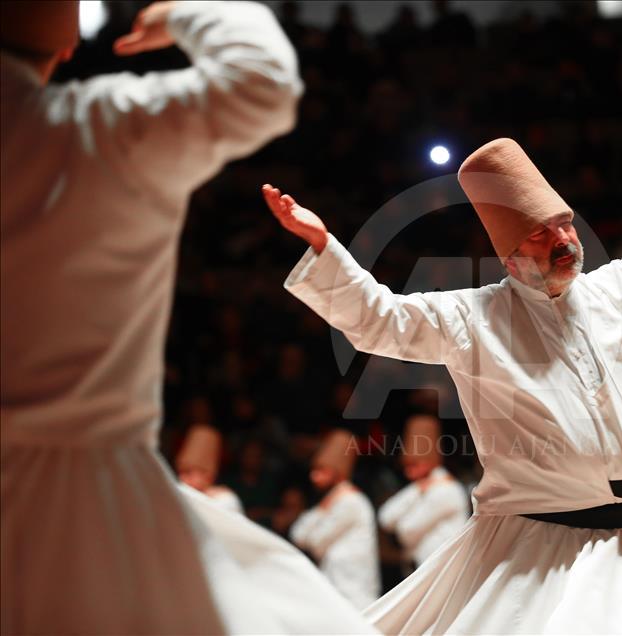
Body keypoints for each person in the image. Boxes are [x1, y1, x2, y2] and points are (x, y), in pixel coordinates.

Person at [265, 137, 622, 633]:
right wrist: (323, 248)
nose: (563, 240)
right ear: (509, 257)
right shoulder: (471, 318)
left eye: (564, 223)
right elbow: (380, 320)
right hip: (532, 549)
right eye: (542, 234)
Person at [1, 2, 374, 633]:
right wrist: (181, 14)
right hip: (84, 496)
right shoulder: (96, 129)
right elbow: (261, 82)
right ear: (66, 48)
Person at [291, 428, 381, 610]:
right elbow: (298, 535)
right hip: (336, 588)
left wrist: (321, 510)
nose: (314, 476)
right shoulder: (331, 500)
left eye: (321, 470)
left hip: (354, 592)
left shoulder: (351, 501)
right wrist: (322, 508)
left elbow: (316, 543)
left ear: (337, 472)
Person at [378, 415, 470, 567]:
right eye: (406, 465)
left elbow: (407, 531)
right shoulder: (419, 487)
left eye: (414, 464)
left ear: (429, 461)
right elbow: (385, 518)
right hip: (422, 566)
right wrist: (416, 490)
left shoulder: (446, 489)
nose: (408, 472)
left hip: (442, 567)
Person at [176, 424, 244, 514]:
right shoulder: (178, 494)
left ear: (208, 475)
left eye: (188, 473)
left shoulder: (225, 500)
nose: (182, 478)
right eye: (180, 472)